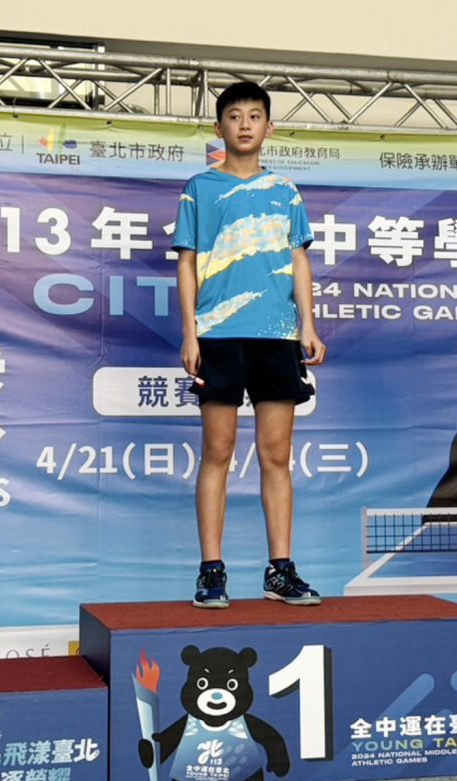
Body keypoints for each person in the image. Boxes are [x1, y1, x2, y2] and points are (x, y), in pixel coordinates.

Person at [173, 81, 326, 608]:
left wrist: (308, 325)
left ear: (269, 127)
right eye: (234, 116)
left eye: (254, 115)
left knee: (276, 456)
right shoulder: (199, 188)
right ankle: (211, 572)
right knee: (217, 452)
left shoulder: (285, 191)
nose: (244, 124)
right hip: (217, 334)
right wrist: (190, 332)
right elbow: (187, 261)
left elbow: (299, 260)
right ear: (219, 128)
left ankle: (280, 570)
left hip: (277, 334)